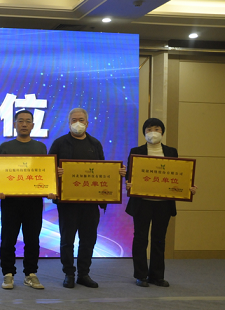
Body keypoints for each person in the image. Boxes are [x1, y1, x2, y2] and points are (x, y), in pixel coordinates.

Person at [49, 107, 126, 289]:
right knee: (67, 240)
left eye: (81, 120)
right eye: (74, 120)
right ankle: (68, 273)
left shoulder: (95, 144)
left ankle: (84, 274)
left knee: (88, 240)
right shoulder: (59, 143)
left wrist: (117, 173)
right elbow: (48, 170)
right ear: (69, 123)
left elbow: (103, 171)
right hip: (67, 202)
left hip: (91, 202)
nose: (78, 123)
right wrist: (54, 172)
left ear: (87, 123)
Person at [125, 118, 197, 287]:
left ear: (162, 132)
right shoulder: (136, 151)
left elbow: (178, 175)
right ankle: (141, 275)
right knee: (140, 238)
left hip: (163, 204)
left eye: (157, 129)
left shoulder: (171, 151)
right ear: (144, 133)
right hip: (142, 203)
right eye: (149, 129)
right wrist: (128, 182)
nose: (153, 132)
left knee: (159, 239)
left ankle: (156, 276)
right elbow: (130, 174)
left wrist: (188, 188)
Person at [0, 109, 55, 290]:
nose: (24, 124)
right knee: (8, 239)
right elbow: (1, 173)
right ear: (14, 124)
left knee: (32, 239)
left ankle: (31, 274)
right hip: (10, 202)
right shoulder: (6, 147)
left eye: (28, 121)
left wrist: (50, 189)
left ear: (33, 125)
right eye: (20, 121)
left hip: (33, 202)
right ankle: (8, 273)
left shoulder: (40, 147)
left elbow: (44, 173)